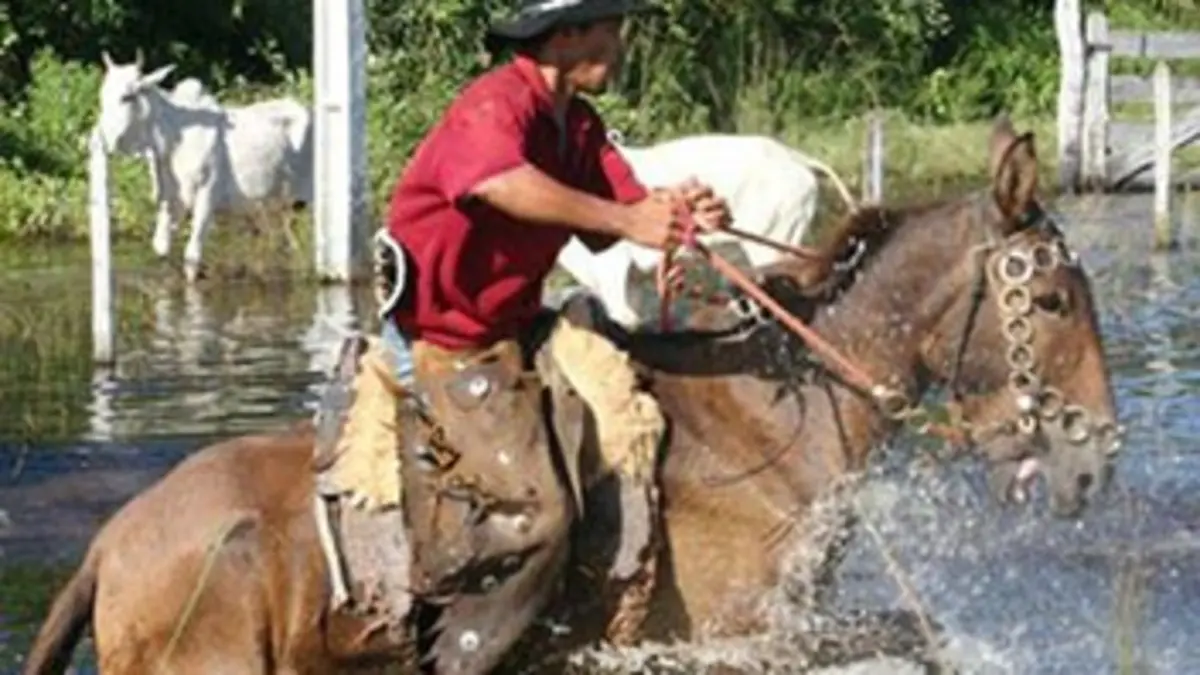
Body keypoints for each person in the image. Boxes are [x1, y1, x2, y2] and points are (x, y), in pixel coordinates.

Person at [316, 0, 732, 646]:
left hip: (514, 328)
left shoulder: (580, 127)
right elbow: (499, 183)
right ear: (566, 36)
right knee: (537, 515)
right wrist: (629, 221)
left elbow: (629, 203)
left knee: (635, 406)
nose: (621, 44)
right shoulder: (494, 103)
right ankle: (460, 655)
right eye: (610, 29)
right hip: (447, 338)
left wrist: (682, 210)